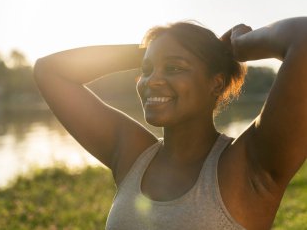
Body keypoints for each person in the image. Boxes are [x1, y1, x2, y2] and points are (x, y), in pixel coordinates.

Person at [34, 17, 307, 230]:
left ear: (216, 83)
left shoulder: (249, 165)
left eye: (174, 68)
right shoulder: (133, 155)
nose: (152, 80)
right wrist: (157, 49)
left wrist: (240, 45)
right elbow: (50, 71)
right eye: (146, 70)